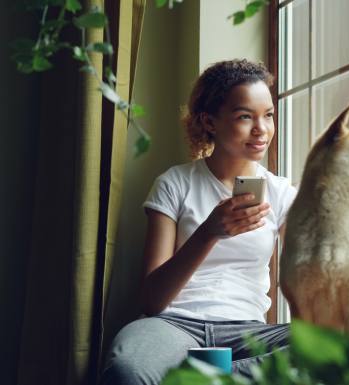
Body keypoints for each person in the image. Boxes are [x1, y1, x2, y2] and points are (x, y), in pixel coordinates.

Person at [100, 59, 296, 385]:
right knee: (128, 370)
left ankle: (205, 378)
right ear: (209, 122)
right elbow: (152, 299)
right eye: (245, 116)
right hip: (173, 325)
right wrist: (208, 232)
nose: (262, 129)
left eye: (269, 115)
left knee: (344, 346)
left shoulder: (282, 194)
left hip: (248, 331)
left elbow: (305, 277)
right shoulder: (175, 183)